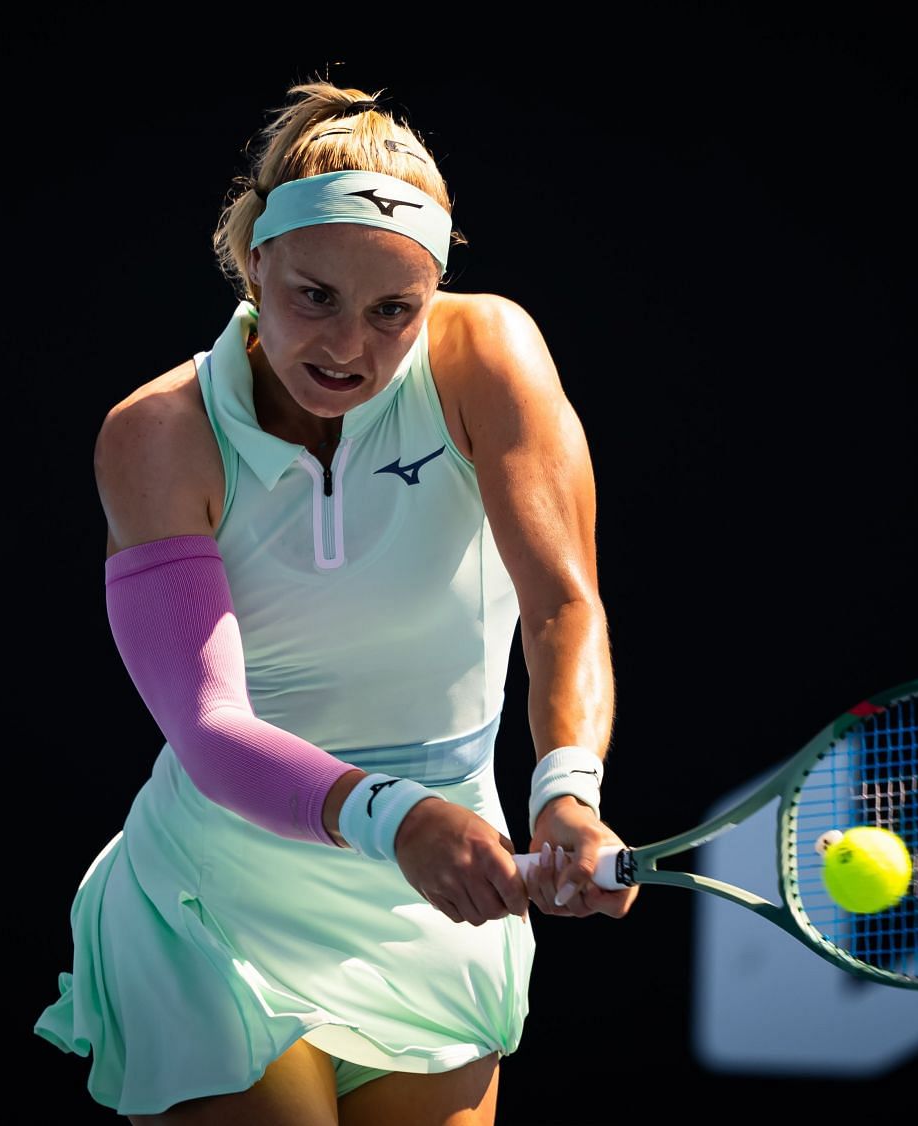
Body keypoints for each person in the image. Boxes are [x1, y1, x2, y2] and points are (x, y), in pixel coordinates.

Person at [32, 79, 637, 1125]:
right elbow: (212, 729)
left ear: (435, 293)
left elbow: (561, 606)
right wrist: (397, 817)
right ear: (254, 259)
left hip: (441, 886)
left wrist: (564, 791)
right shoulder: (159, 434)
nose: (349, 346)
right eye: (315, 295)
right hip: (220, 897)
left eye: (394, 309)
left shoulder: (485, 354)